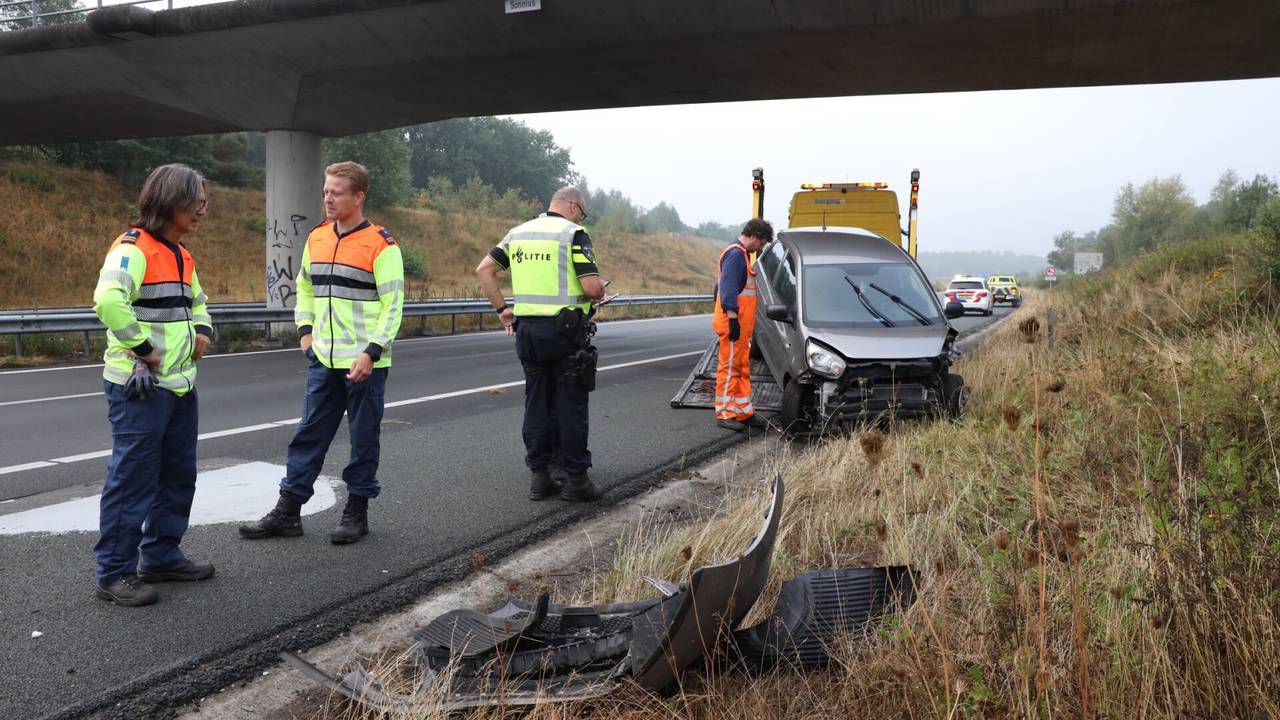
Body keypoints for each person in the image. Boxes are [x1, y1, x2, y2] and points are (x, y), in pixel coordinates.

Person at [239, 161, 404, 545]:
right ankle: (288, 512)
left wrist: (371, 352)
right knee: (308, 436)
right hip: (323, 359)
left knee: (363, 440)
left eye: (336, 192)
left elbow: (393, 305)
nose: (328, 198)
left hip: (365, 363)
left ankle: (356, 512)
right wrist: (305, 331)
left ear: (358, 196)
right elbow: (305, 288)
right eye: (326, 191)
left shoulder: (381, 245)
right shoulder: (317, 237)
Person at [91, 163, 215, 607]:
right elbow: (108, 300)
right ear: (170, 200)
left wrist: (204, 330)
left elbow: (198, 302)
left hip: (179, 385)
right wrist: (144, 348)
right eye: (196, 201)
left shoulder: (181, 253)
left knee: (178, 475)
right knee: (133, 480)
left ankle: (162, 556)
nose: (202, 210)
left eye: (204, 203)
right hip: (140, 388)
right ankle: (114, 573)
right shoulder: (133, 248)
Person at [475, 187, 607, 502]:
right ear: (573, 207)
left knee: (537, 403)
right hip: (564, 333)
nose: (581, 219)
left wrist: (502, 310)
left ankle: (540, 475)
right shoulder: (574, 234)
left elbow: (484, 270)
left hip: (528, 333)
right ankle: (576, 479)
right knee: (570, 404)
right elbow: (591, 288)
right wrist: (600, 292)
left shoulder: (518, 233)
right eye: (582, 213)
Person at [713, 218, 774, 431]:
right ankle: (725, 412)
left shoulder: (741, 255)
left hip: (740, 326)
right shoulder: (735, 255)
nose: (761, 248)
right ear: (754, 236)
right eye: (762, 243)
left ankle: (742, 411)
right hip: (733, 324)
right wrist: (732, 320)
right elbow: (728, 289)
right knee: (730, 368)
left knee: (740, 368)